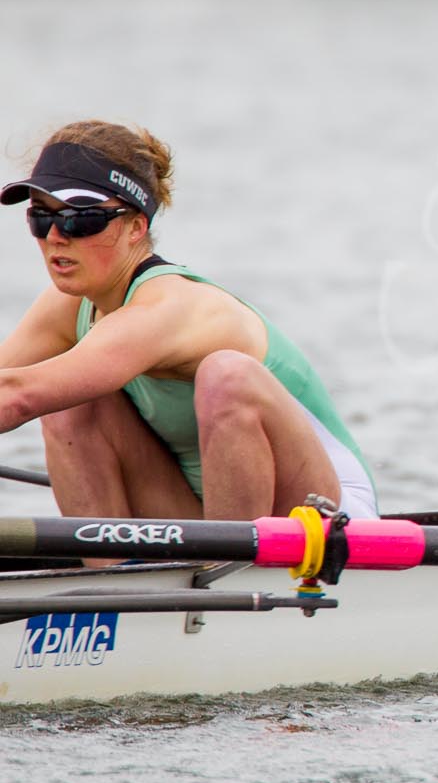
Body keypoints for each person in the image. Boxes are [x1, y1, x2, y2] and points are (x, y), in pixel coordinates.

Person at [0, 121, 376, 519]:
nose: (56, 236)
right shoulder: (68, 306)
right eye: (42, 218)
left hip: (325, 516)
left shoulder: (167, 307)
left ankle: (222, 573)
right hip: (208, 515)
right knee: (66, 398)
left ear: (135, 227)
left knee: (225, 374)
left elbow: (18, 398)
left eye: (81, 219)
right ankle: (113, 577)